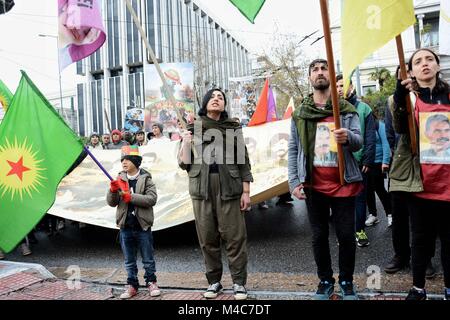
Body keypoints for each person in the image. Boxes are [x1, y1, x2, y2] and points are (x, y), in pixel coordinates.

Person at [288, 59, 363, 300]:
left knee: (346, 237)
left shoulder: (345, 110)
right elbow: (293, 149)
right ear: (309, 78)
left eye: (324, 69)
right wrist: (293, 181)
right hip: (314, 186)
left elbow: (359, 142)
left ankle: (347, 281)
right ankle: (324, 280)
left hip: (343, 183)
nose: (320, 73)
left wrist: (348, 137)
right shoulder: (300, 114)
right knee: (319, 236)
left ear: (331, 76)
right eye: (315, 70)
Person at [178, 88, 253, 300]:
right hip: (201, 190)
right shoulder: (192, 128)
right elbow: (184, 163)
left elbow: (243, 161)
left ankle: (239, 283)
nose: (216, 100)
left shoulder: (232, 127)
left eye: (220, 97)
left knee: (235, 238)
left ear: (224, 104)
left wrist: (246, 191)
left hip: (230, 187)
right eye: (212, 97)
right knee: (207, 238)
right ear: (204, 102)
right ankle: (214, 282)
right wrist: (185, 141)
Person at [390, 48, 450, 300]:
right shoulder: (406, 99)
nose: (424, 64)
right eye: (417, 61)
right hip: (420, 183)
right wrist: (400, 96)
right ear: (411, 71)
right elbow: (399, 127)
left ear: (437, 66)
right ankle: (418, 288)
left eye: (429, 59)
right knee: (421, 240)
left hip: (448, 183)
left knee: (449, 241)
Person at [106, 145, 160, 299]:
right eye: (123, 159)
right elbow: (112, 202)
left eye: (128, 159)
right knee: (129, 261)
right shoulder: (119, 178)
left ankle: (151, 282)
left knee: (148, 259)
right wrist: (112, 191)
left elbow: (152, 199)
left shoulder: (146, 178)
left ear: (136, 161)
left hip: (142, 226)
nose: (124, 162)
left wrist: (132, 197)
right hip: (125, 227)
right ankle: (132, 285)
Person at [337, 74, 376, 247]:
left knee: (360, 199)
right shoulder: (332, 109)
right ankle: (344, 233)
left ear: (351, 87)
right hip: (341, 164)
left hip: (360, 163)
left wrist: (368, 160)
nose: (340, 89)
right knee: (342, 201)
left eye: (343, 85)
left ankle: (359, 231)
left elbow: (370, 136)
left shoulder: (364, 109)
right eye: (337, 86)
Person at [365, 112, 392, 227]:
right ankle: (373, 214)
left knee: (379, 188)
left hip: (378, 162)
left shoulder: (379, 125)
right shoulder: (363, 126)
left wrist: (385, 161)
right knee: (367, 189)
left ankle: (390, 214)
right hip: (366, 162)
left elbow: (386, 143)